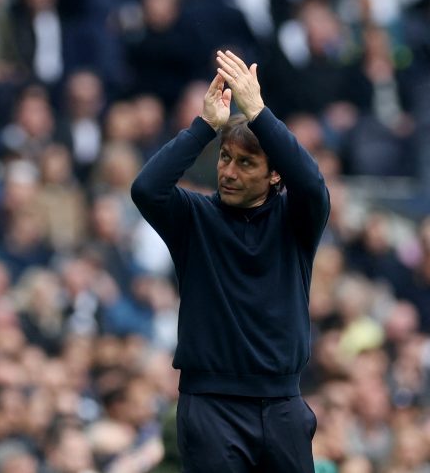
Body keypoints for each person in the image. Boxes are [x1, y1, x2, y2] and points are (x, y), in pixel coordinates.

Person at [130, 50, 330, 472]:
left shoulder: (295, 220)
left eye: (246, 162)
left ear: (274, 174)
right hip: (210, 407)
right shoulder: (194, 217)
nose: (230, 172)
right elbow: (147, 188)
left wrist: (258, 113)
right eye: (225, 158)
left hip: (282, 405)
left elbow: (311, 183)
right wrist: (204, 128)